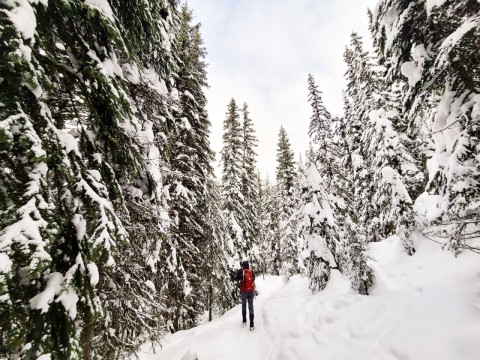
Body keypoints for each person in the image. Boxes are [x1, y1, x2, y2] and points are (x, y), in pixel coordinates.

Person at [234, 260, 255, 330]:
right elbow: (253, 279)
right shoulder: (251, 271)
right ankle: (251, 324)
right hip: (251, 291)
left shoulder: (241, 271)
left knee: (244, 305)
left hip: (243, 292)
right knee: (251, 307)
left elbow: (236, 278)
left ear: (243, 265)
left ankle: (244, 320)